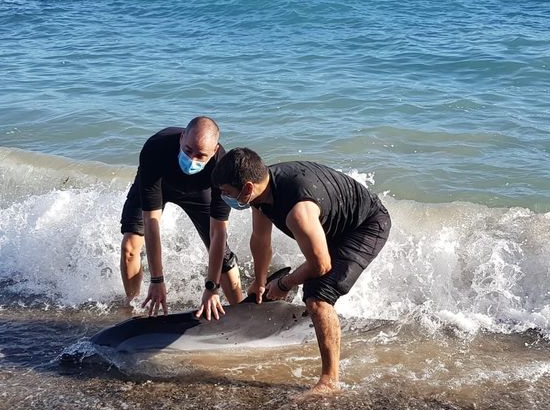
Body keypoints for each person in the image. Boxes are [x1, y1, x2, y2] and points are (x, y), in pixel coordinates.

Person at [211, 148, 391, 395]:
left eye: (226, 192)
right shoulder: (261, 193)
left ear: (247, 188)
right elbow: (261, 239)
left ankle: (330, 381)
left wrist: (284, 284)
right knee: (310, 284)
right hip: (333, 222)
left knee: (317, 296)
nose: (223, 197)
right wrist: (260, 282)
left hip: (366, 225)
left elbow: (321, 265)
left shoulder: (298, 211)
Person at [119, 117, 242, 319]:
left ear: (214, 151)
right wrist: (157, 280)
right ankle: (134, 308)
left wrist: (211, 288)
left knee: (223, 258)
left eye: (201, 156)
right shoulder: (155, 148)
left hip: (199, 193)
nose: (192, 160)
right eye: (188, 151)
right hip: (159, 183)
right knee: (129, 246)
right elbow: (152, 221)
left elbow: (218, 232)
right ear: (182, 137)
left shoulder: (222, 168)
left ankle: (243, 313)